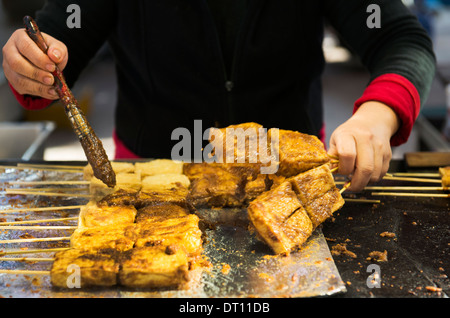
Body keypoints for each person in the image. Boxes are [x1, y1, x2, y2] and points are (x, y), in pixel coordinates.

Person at [2, 0, 435, 191]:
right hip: (153, 176)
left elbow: (398, 38)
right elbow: (59, 40)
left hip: (286, 172)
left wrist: (378, 114)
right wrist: (33, 66)